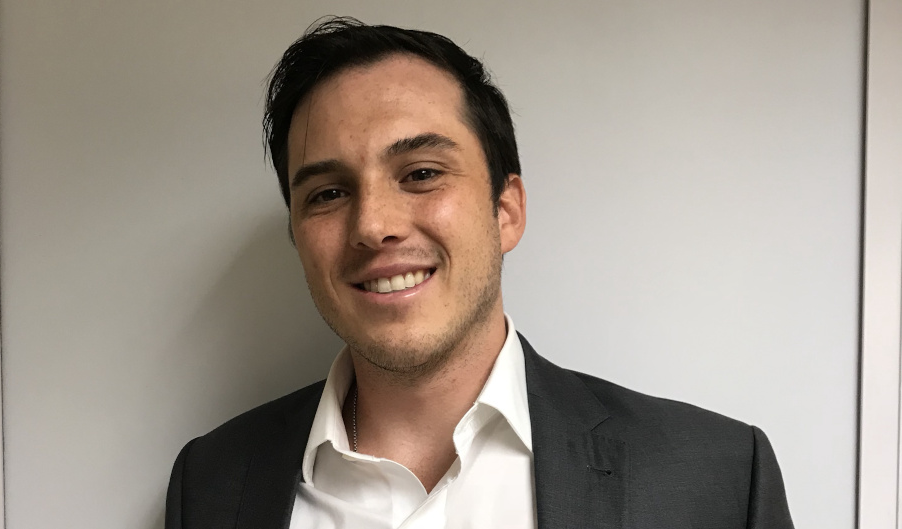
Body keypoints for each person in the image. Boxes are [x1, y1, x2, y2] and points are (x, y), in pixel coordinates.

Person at [165, 17, 794, 529]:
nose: (373, 225)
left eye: (421, 174)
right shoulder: (211, 483)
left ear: (506, 211)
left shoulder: (717, 479)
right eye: (328, 193)